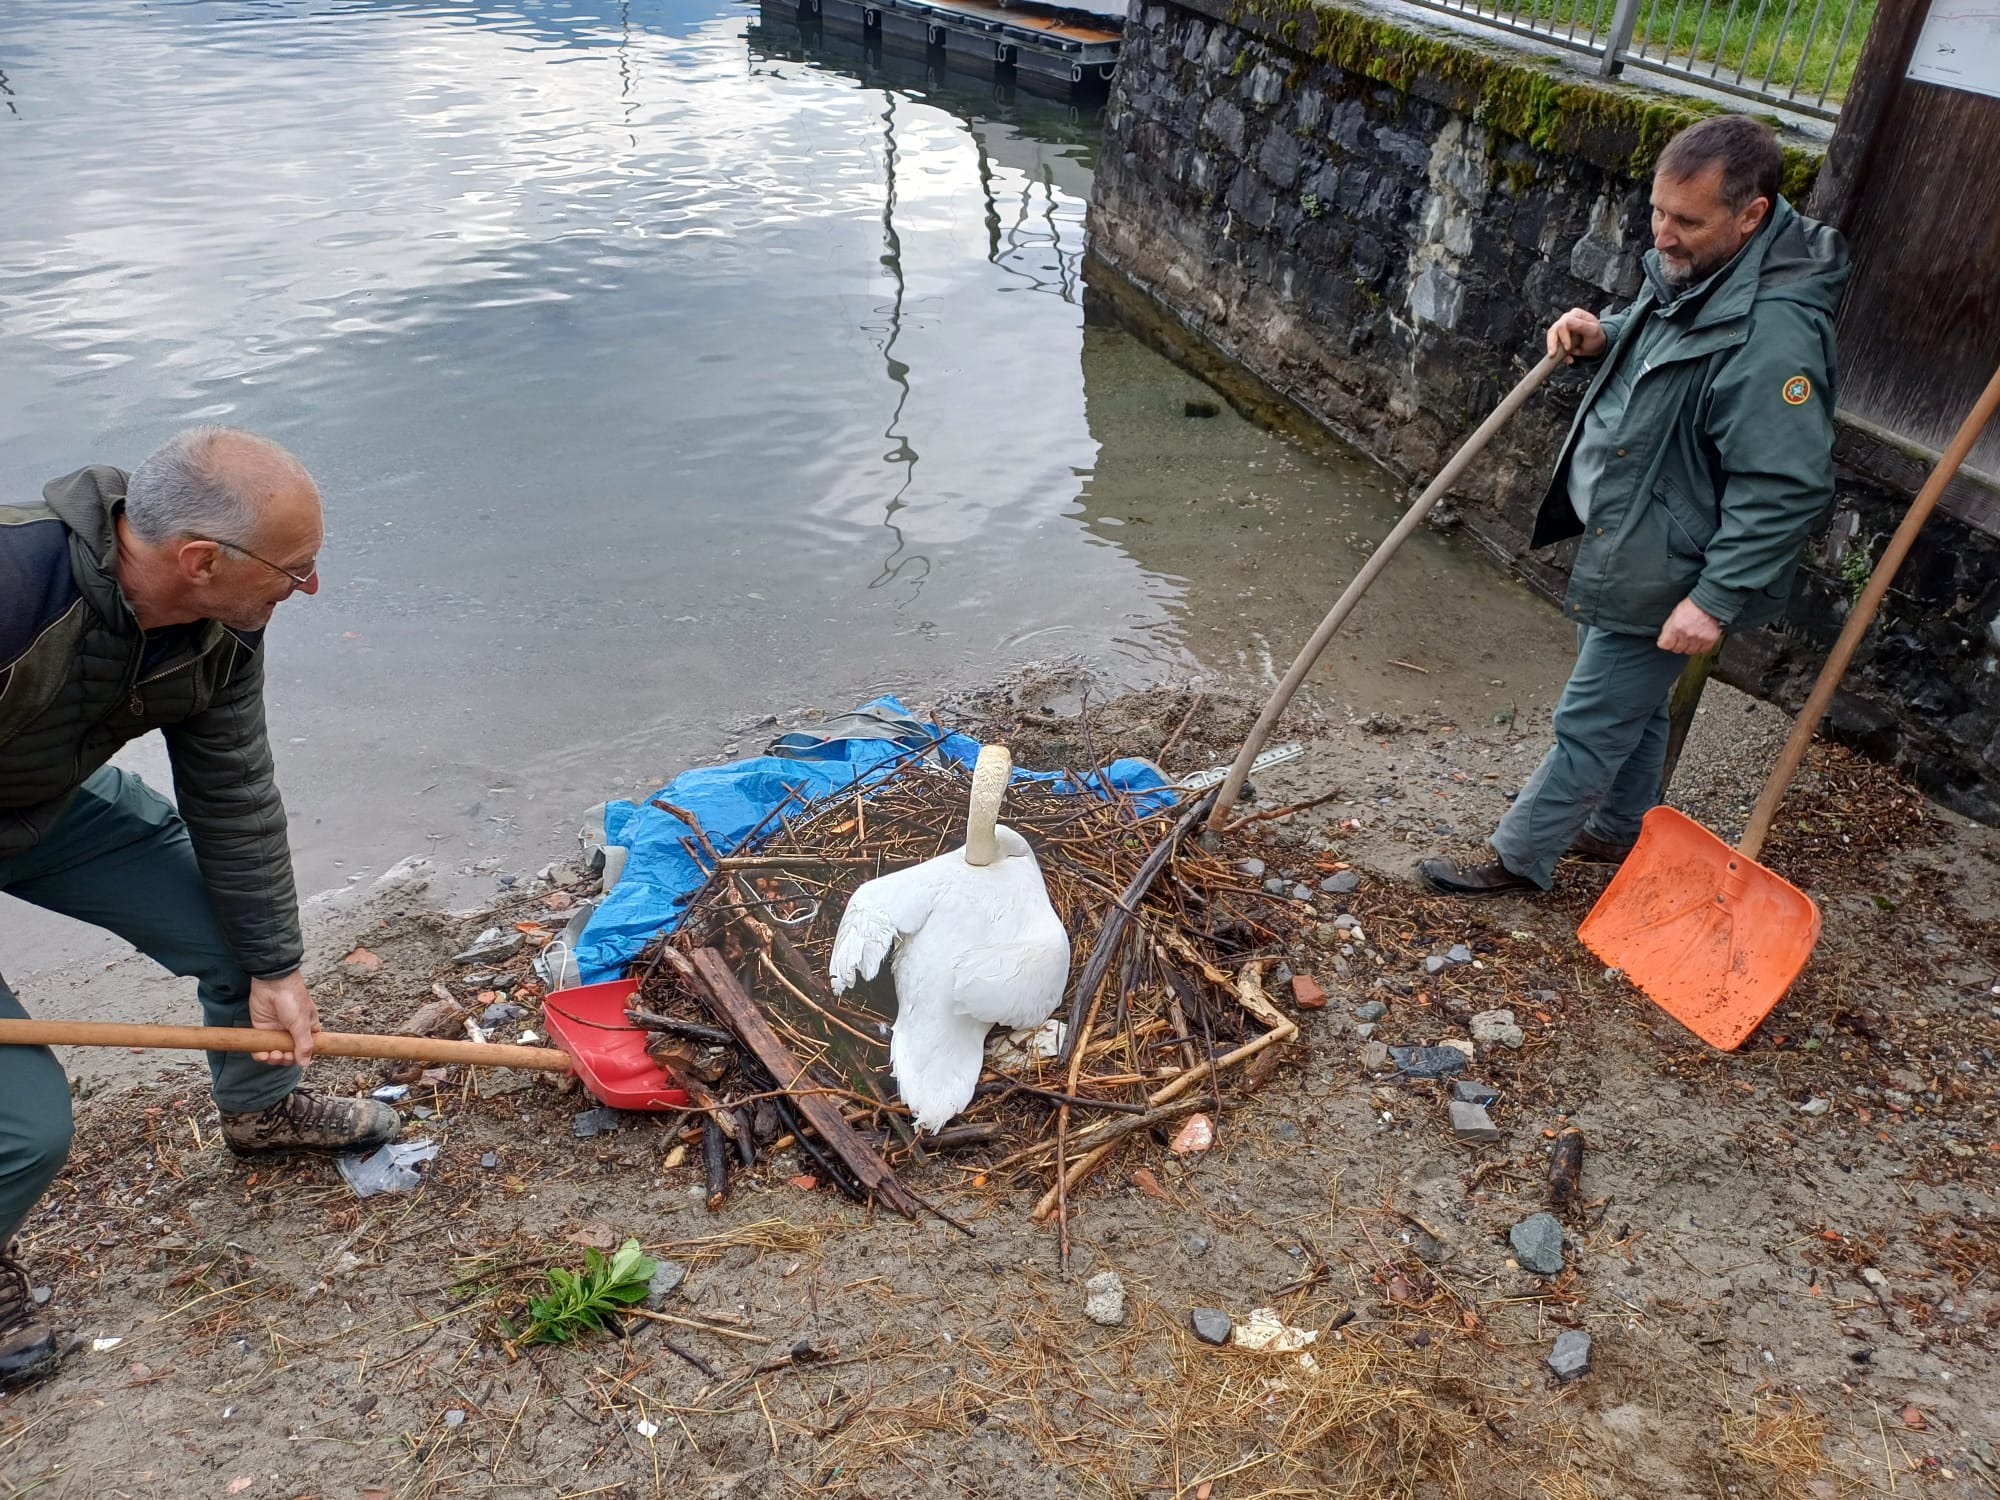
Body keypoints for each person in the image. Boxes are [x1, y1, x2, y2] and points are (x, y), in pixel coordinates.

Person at [0, 427, 398, 1386]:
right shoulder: (13, 593)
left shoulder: (225, 621)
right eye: (294, 569)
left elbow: (233, 792)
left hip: (38, 804)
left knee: (241, 936)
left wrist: (278, 964)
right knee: (25, 1129)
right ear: (201, 559)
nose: (310, 588)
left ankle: (261, 1111)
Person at [1422, 114, 1851, 898]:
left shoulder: (1775, 340)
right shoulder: (1712, 269)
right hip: (1633, 529)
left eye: (1686, 220)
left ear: (1751, 214)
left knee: (1591, 718)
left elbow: (1785, 487)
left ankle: (1519, 859)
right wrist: (1606, 334)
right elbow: (1671, 338)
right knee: (1637, 705)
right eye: (1657, 210)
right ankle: (1620, 827)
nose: (1663, 234)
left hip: (1671, 561)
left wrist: (1712, 600)